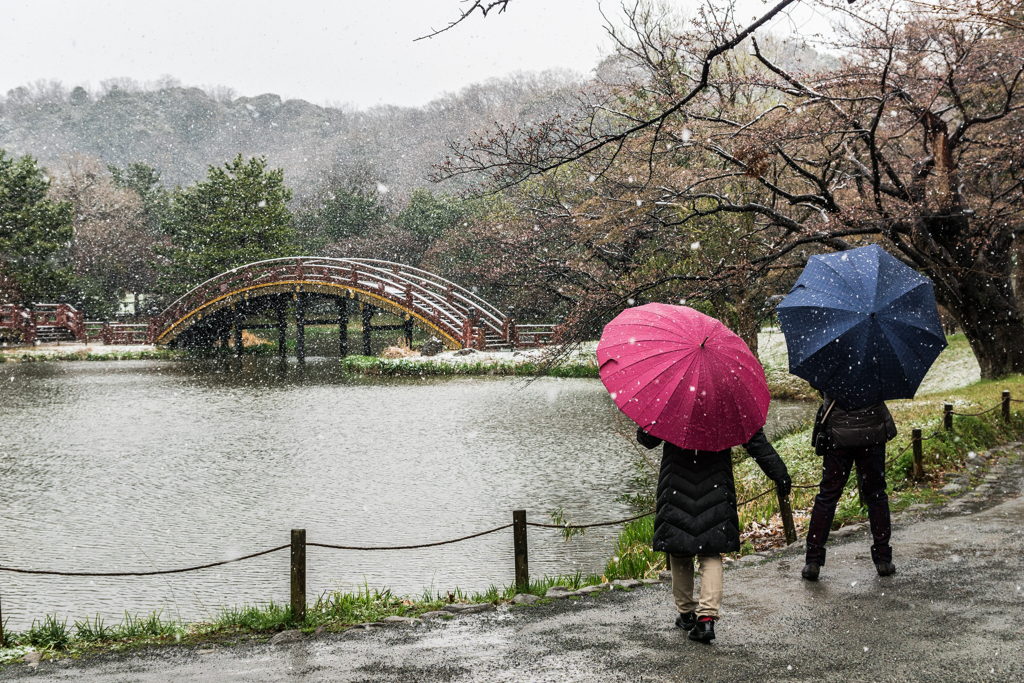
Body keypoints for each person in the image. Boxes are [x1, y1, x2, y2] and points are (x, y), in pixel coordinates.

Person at [638, 426, 791, 643]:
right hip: (716, 484)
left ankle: (687, 613)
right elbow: (755, 442)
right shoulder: (727, 402)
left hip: (676, 482)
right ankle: (706, 619)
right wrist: (779, 473)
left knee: (679, 548)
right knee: (710, 552)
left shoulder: (674, 400)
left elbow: (647, 440)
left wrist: (647, 425)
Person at [801, 392, 898, 581]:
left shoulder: (829, 363)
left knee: (827, 496)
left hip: (838, 433)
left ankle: (813, 561)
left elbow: (818, 384)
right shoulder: (878, 362)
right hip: (872, 433)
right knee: (876, 495)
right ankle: (883, 559)